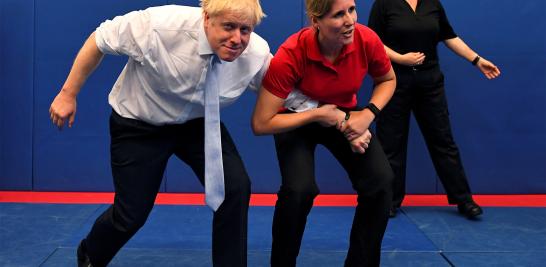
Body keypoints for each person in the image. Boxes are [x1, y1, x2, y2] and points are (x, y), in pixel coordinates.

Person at [48, 1, 270, 266]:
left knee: (236, 188)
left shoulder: (256, 53)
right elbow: (100, 38)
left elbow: (284, 90)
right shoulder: (159, 26)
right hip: (140, 123)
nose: (237, 39)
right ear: (207, 18)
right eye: (229, 27)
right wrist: (67, 94)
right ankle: (91, 253)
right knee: (131, 215)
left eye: (245, 30)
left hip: (197, 123)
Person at [251, 0, 396, 266]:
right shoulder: (291, 54)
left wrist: (368, 114)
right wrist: (318, 114)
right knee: (299, 190)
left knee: (380, 182)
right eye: (338, 14)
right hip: (295, 118)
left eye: (351, 10)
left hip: (343, 111)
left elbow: (387, 79)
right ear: (316, 21)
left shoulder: (366, 39)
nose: (350, 20)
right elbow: (261, 123)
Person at [368, 0, 501, 219]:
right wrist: (401, 58)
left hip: (430, 82)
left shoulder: (432, 4)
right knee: (391, 144)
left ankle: (463, 200)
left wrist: (477, 60)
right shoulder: (384, 4)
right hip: (393, 82)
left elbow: (449, 36)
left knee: (443, 141)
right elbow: (373, 42)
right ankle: (389, 200)